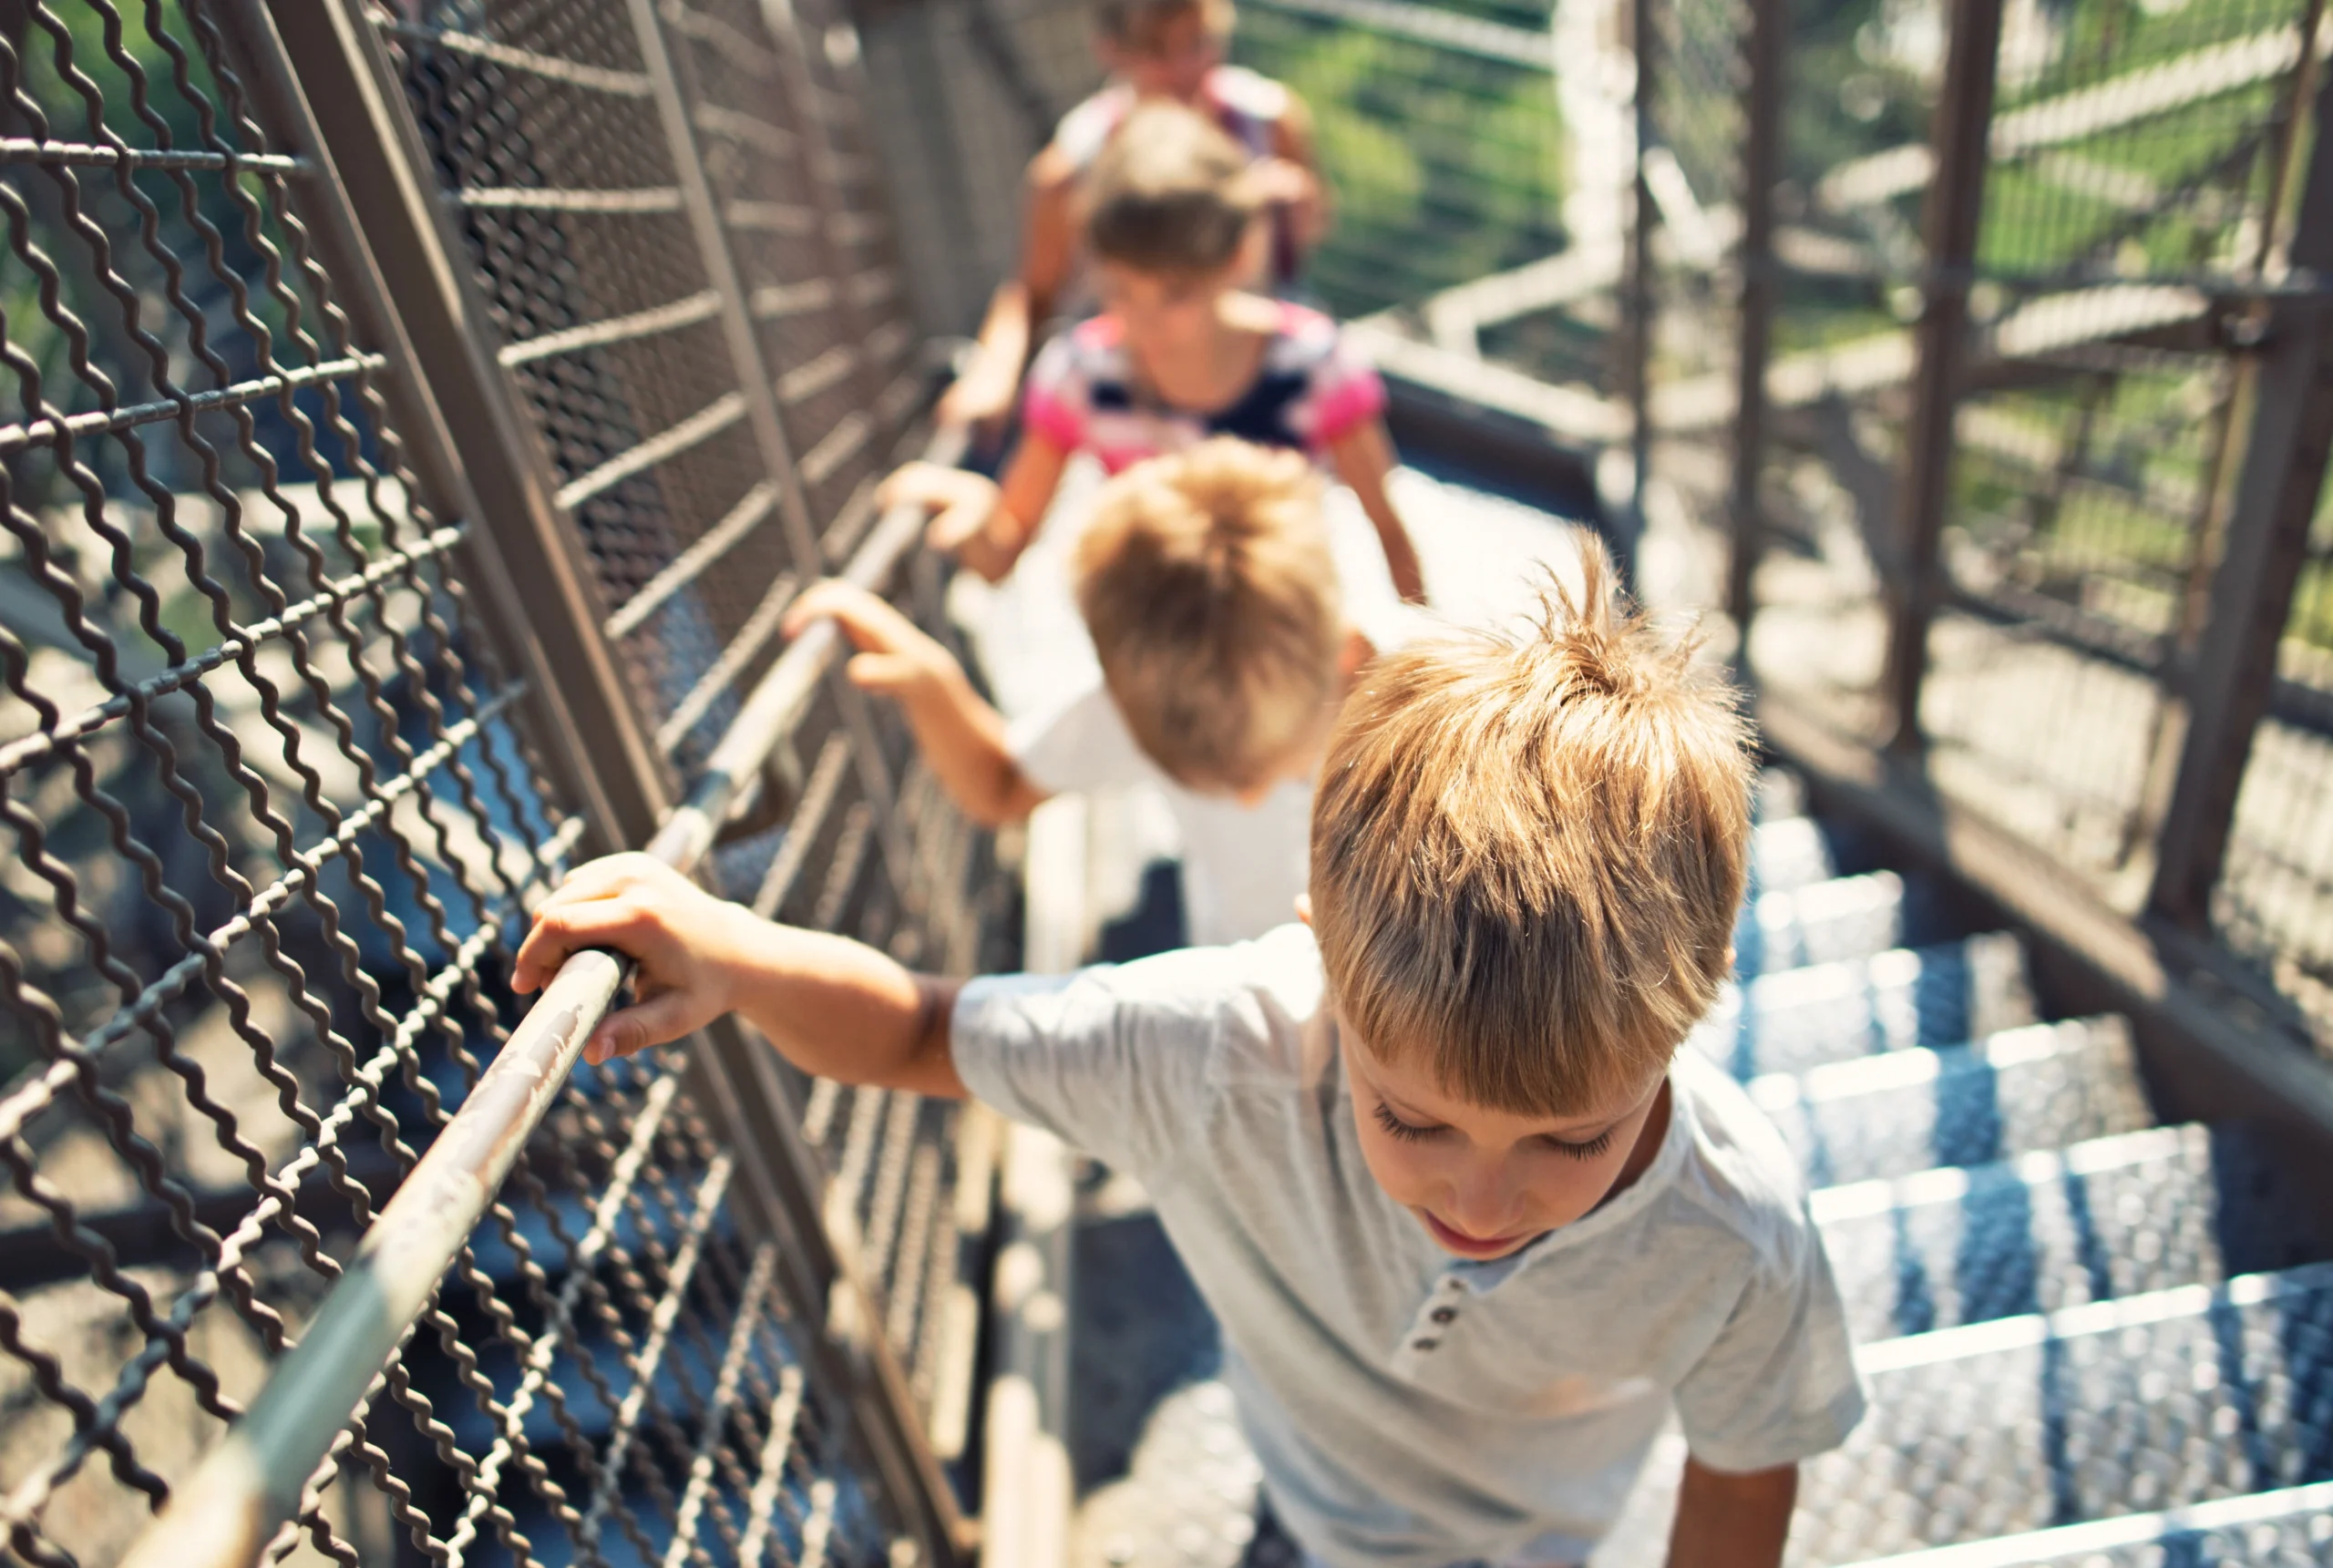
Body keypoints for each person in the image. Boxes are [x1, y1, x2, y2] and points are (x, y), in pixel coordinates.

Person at [514, 540, 1866, 1568]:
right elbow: (926, 1027)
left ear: (1694, 1016)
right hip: (1307, 1513)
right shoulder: (1213, 1056)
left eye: (1572, 1139)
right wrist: (736, 953)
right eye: (1413, 1120)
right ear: (1316, 952)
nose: (1482, 1198)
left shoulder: (1734, 1232)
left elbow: (1746, 1466)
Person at [784, 438, 1391, 947]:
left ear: (1349, 655)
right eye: (1209, 780)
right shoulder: (1156, 704)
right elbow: (999, 787)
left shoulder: (1445, 707)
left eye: (1264, 767)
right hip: (1257, 999)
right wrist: (930, 681)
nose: (1249, 795)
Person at [899, 101, 1426, 605]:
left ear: (1240, 256)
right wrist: (975, 514)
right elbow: (1000, 558)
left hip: (1285, 625)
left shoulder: (1315, 365)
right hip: (1154, 638)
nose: (1143, 320)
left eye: (1176, 294)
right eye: (1121, 291)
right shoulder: (1079, 376)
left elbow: (1390, 530)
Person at [938, 0, 1327, 433]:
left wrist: (1299, 213)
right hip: (1136, 380)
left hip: (1250, 367)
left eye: (1200, 44)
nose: (1185, 68)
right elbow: (1033, 293)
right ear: (1111, 50)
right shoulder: (1070, 172)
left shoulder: (1271, 123)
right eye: (1157, 50)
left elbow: (1308, 237)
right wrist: (993, 371)